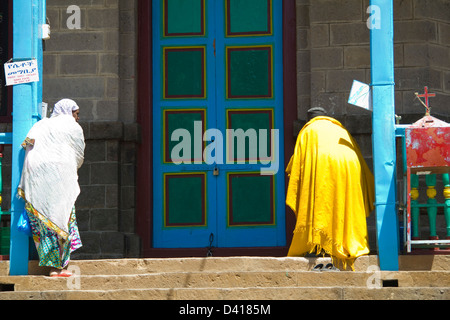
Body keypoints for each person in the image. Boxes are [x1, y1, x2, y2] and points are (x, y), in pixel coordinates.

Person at [285, 107, 375, 270]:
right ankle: (345, 242)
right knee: (342, 204)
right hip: (349, 166)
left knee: (319, 204)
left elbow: (298, 162)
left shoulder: (308, 130)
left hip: (323, 163)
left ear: (309, 119)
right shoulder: (340, 129)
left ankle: (318, 246)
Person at [18, 99, 85, 277]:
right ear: (69, 112)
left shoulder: (41, 125)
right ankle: (59, 268)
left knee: (45, 224)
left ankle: (53, 267)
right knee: (62, 219)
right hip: (61, 183)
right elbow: (78, 155)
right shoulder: (73, 127)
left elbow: (27, 145)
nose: (77, 118)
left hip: (38, 183)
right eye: (76, 114)